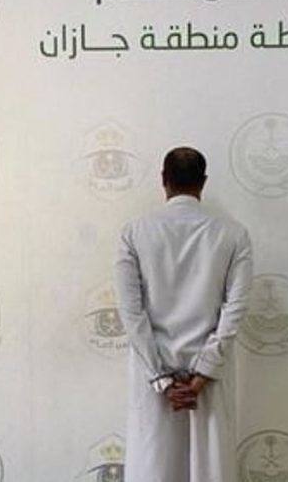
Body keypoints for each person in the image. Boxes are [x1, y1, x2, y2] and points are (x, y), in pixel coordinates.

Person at [114, 146, 253, 482]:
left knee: (153, 469)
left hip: (152, 380)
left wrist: (161, 379)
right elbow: (234, 311)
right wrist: (203, 372)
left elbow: (131, 314)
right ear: (203, 182)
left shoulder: (134, 233)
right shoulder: (234, 233)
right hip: (209, 381)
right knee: (211, 470)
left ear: (163, 179)